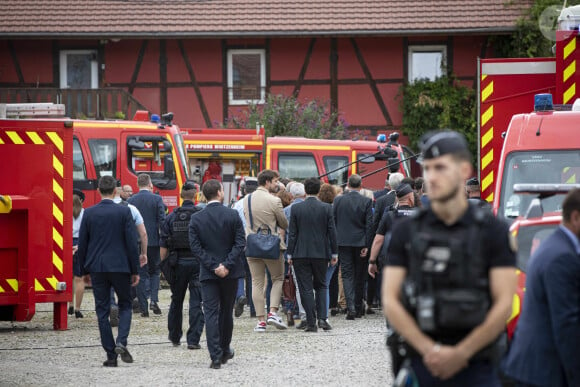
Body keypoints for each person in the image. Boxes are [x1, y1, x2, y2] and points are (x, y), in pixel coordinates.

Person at [382, 130, 517, 385]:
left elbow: (504, 304)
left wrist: (461, 354)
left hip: (478, 366)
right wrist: (429, 351)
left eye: (441, 167)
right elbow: (390, 300)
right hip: (423, 364)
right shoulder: (407, 231)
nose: (432, 177)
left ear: (464, 170)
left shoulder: (493, 231)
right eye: (428, 169)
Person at [502, 189, 580, 386]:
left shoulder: (557, 248)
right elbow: (567, 324)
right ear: (576, 217)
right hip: (544, 372)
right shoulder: (562, 257)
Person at [77, 176, 142, 367]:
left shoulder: (88, 213)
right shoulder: (124, 212)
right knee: (126, 305)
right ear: (116, 191)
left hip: (97, 268)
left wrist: (82, 270)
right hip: (121, 267)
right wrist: (134, 269)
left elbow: (83, 244)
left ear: (98, 190)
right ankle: (121, 341)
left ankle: (111, 355)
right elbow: (132, 243)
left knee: (102, 310)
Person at [189, 179, 246, 369]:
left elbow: (195, 248)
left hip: (208, 272)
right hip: (229, 272)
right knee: (226, 312)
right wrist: (226, 265)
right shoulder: (232, 215)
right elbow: (240, 243)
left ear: (204, 195)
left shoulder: (196, 218)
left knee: (211, 313)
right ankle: (224, 349)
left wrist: (213, 266)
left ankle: (214, 355)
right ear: (220, 193)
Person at [287, 177, 338, 332]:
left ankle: (310, 322)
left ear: (305, 191)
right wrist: (334, 252)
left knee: (305, 288)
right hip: (321, 253)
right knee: (322, 285)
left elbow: (293, 234)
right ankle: (323, 318)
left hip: (300, 253)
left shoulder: (296, 209)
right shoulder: (327, 208)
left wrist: (290, 254)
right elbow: (332, 232)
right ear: (318, 190)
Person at [160, 182, 205, 350]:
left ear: (180, 196)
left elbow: (163, 244)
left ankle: (174, 336)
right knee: (196, 301)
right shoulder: (201, 215)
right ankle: (193, 340)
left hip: (176, 263)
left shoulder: (171, 216)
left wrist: (163, 268)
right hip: (197, 263)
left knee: (176, 300)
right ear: (195, 196)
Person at [243, 169, 289, 332]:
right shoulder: (274, 201)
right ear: (267, 182)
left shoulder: (246, 199)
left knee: (256, 282)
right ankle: (273, 312)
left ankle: (260, 321)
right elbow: (284, 223)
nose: (277, 184)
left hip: (252, 244)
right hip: (272, 245)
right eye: (275, 181)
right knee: (277, 278)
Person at [333, 174, 373, 320]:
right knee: (360, 275)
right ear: (361, 186)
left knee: (347, 274)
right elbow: (369, 225)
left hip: (343, 242)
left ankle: (350, 308)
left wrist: (335, 241)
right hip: (360, 242)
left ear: (348, 185)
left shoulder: (338, 201)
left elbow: (334, 221)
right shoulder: (367, 201)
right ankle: (357, 306)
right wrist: (367, 245)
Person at [110, 184, 148, 327]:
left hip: (105, 252)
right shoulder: (131, 208)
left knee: (108, 283)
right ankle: (122, 309)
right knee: (124, 282)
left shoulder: (95, 210)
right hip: (124, 252)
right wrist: (143, 253)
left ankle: (111, 304)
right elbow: (143, 234)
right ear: (119, 193)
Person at [128, 173, 166, 317]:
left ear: (137, 184)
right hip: (154, 241)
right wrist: (164, 239)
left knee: (141, 274)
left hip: (137, 241)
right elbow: (162, 220)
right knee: (155, 272)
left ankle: (143, 307)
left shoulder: (131, 200)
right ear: (150, 184)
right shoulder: (157, 199)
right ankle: (154, 300)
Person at [231, 176, 258, 318]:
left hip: (240, 242)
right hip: (256, 242)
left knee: (240, 273)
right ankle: (254, 309)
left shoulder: (238, 205)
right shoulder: (260, 204)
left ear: (245, 189)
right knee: (255, 276)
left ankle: (240, 295)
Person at [69, 189, 86, 318]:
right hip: (79, 244)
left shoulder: (62, 212)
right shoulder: (85, 214)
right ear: (81, 200)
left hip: (64, 243)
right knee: (79, 279)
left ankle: (69, 305)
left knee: (67, 278)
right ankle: (77, 309)